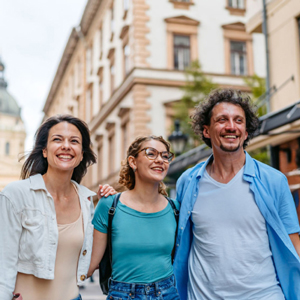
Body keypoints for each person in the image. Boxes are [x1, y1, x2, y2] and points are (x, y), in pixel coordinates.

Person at [173, 89, 300, 300]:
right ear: (206, 130)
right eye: (222, 120)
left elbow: (293, 242)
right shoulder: (188, 181)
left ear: (246, 131)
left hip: (264, 295)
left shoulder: (274, 181)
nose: (231, 126)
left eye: (238, 120)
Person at [0, 115, 114, 300]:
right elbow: (3, 263)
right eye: (57, 139)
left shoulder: (86, 200)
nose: (66, 146)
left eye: (74, 141)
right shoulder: (16, 194)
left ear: (81, 154)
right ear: (44, 151)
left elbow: (89, 262)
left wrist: (106, 205)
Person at [88, 135, 181, 300]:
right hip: (123, 294)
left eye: (165, 156)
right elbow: (90, 264)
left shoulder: (175, 209)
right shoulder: (109, 205)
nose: (160, 159)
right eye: (151, 153)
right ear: (133, 162)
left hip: (167, 293)